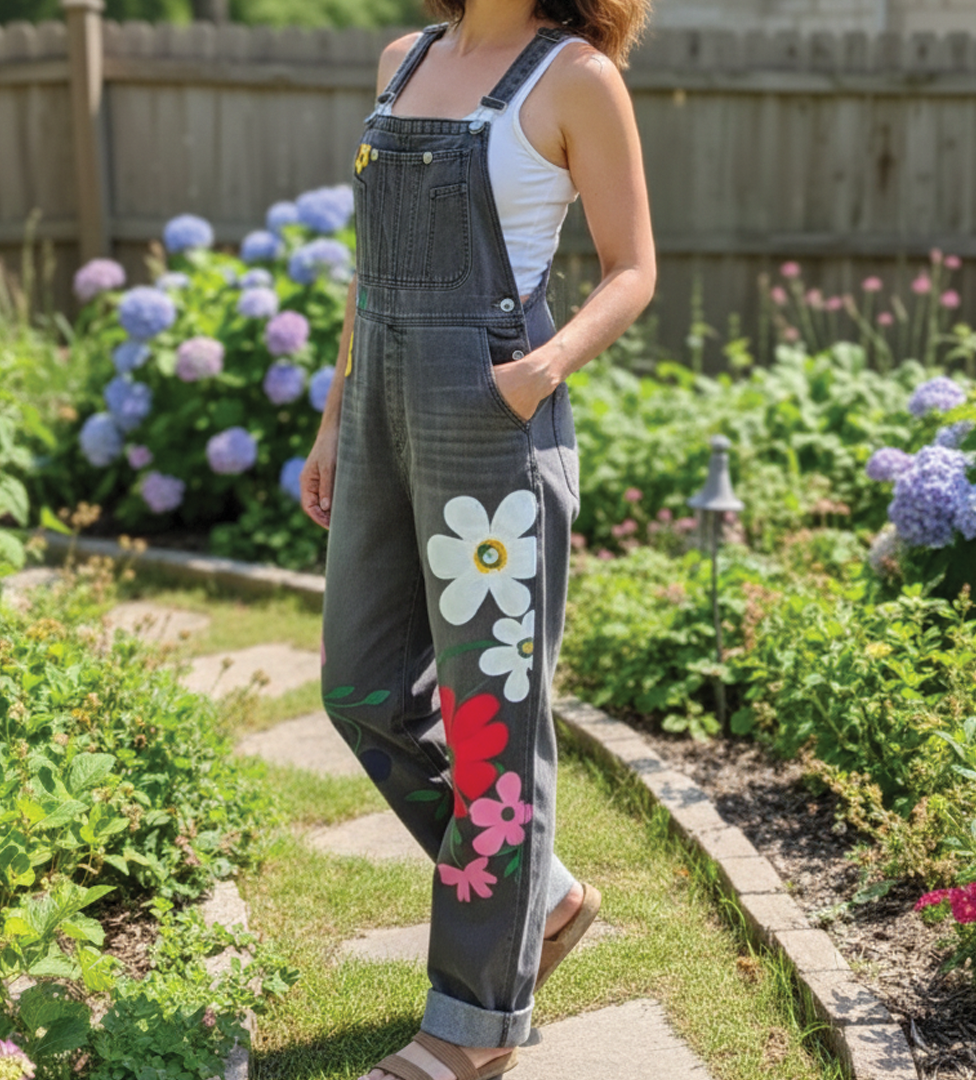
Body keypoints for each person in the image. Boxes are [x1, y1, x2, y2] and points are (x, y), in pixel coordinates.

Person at [300, 0, 655, 1077]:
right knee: (361, 689)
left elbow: (632, 267)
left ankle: (473, 1027)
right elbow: (372, 265)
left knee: (492, 724)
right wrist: (335, 416)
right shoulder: (402, 61)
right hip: (379, 409)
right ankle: (540, 896)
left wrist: (540, 371)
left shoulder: (577, 77)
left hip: (490, 420)